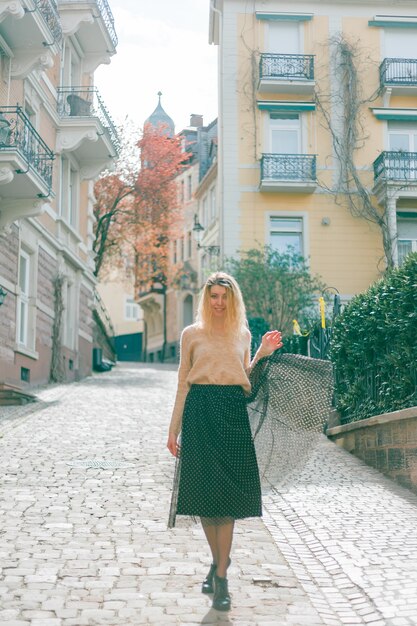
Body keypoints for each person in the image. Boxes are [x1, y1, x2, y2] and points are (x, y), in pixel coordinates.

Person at [166, 271, 283, 612]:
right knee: (205, 496)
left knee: (228, 498)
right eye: (213, 296)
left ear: (233, 300)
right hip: (199, 414)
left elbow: (244, 381)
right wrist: (173, 430)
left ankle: (221, 576)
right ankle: (219, 564)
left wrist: (261, 353)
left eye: (224, 297)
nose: (218, 302)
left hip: (232, 414)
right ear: (207, 299)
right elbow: (182, 384)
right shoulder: (191, 335)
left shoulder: (242, 334)